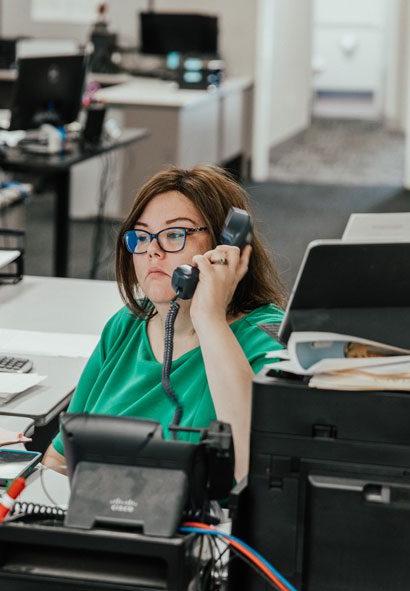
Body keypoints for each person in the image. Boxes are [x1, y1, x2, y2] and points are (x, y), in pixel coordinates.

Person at [42, 165, 286, 481]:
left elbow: (253, 472)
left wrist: (209, 317)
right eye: (142, 236)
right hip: (102, 506)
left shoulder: (266, 339)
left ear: (226, 246)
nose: (152, 251)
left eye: (174, 235)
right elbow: (59, 458)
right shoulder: (126, 325)